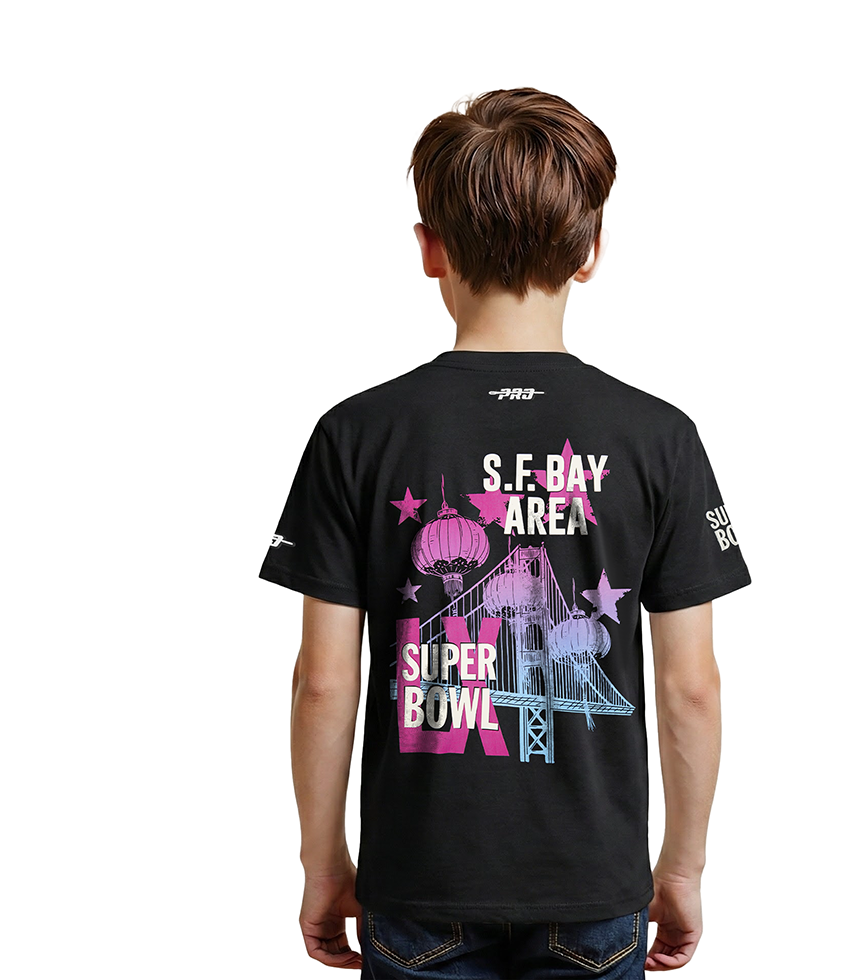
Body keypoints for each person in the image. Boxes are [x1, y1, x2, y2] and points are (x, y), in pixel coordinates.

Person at [259, 87, 752, 978]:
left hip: (417, 888)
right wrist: (680, 868)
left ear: (430, 249)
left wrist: (322, 862)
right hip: (595, 892)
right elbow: (691, 690)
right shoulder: (659, 439)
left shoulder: (355, 434)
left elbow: (323, 682)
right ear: (590, 251)